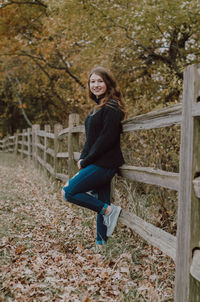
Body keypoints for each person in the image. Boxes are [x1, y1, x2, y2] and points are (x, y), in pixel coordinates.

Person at [62, 66, 126, 250]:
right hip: (97, 161)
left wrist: (87, 160)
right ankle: (102, 246)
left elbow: (106, 138)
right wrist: (83, 158)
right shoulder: (97, 108)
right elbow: (91, 139)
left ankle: (110, 211)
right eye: (92, 81)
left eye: (100, 81)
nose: (96, 85)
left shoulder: (112, 107)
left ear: (108, 83)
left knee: (68, 192)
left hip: (105, 164)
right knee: (101, 200)